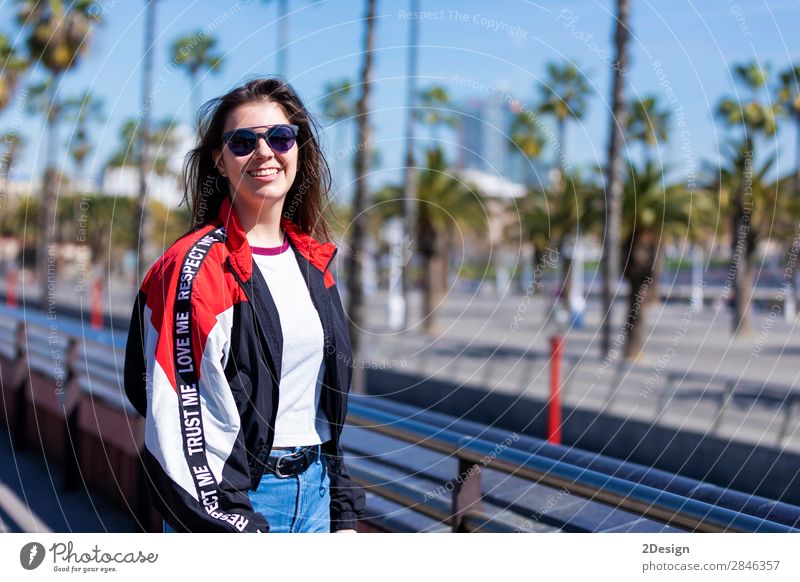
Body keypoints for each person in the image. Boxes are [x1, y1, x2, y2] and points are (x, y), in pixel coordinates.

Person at [123, 77, 365, 533]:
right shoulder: (195, 268)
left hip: (314, 496)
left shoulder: (316, 265)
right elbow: (171, 417)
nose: (264, 152)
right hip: (235, 505)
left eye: (280, 137)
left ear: (298, 149)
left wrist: (342, 510)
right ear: (219, 158)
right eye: (241, 141)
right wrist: (230, 522)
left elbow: (319, 408)